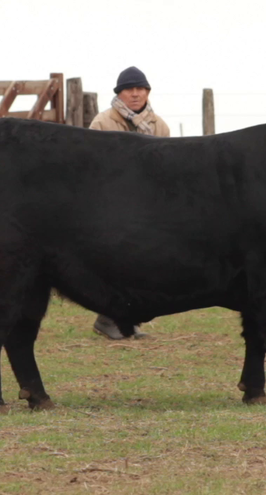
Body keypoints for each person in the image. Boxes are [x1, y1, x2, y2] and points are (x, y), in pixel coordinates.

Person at [89, 66, 170, 340]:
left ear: (147, 92)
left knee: (144, 264)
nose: (135, 94)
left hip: (147, 207)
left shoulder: (159, 126)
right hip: (111, 205)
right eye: (129, 89)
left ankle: (127, 319)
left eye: (140, 89)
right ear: (119, 93)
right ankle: (108, 319)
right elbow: (92, 167)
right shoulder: (102, 123)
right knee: (114, 263)